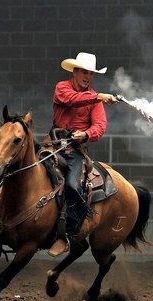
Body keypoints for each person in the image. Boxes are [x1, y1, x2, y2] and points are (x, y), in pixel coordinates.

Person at [45, 52, 119, 256]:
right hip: (52, 143)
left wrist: (85, 134)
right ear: (75, 72)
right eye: (84, 72)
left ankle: (66, 235)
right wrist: (98, 96)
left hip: (74, 151)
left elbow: (100, 126)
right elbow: (70, 99)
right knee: (18, 164)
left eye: (91, 73)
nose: (88, 76)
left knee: (72, 185)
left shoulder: (95, 100)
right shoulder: (63, 88)